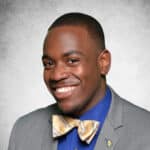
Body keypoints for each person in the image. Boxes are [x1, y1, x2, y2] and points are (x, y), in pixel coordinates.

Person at [8, 12, 150, 150]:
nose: (56, 75)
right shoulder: (23, 130)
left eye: (72, 61)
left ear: (103, 63)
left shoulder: (145, 130)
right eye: (49, 64)